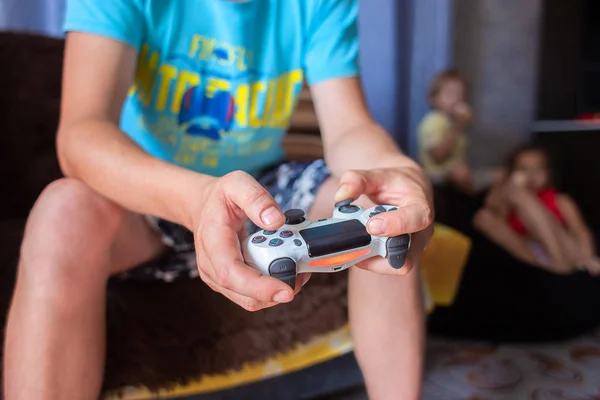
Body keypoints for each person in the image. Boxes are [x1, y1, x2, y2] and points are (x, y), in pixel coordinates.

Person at [3, 1, 434, 399]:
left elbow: (349, 128)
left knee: (382, 206)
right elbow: (82, 134)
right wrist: (196, 199)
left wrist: (400, 170)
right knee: (62, 213)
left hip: (260, 187)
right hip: (149, 190)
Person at [474, 143, 600, 275]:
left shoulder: (560, 200)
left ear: (548, 173)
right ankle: (550, 269)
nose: (531, 175)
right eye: (523, 169)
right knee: (483, 216)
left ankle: (561, 264)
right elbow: (493, 211)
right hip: (532, 255)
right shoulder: (508, 197)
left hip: (567, 253)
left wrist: (586, 257)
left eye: (538, 169)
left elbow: (579, 230)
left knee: (523, 198)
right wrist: (510, 187)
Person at [417, 69, 473, 193]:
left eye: (460, 95)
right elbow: (438, 155)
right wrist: (457, 126)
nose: (456, 99)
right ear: (434, 98)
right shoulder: (434, 121)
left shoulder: (452, 121)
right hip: (435, 174)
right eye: (450, 94)